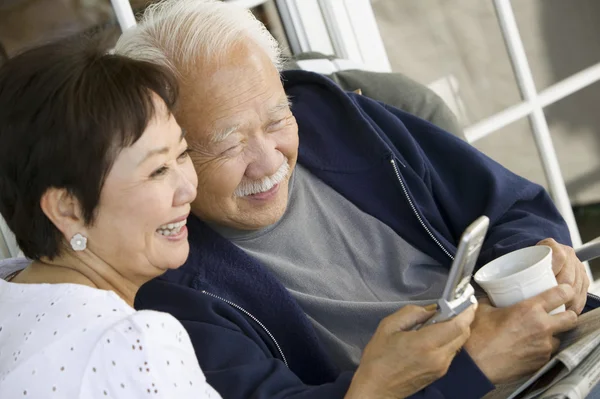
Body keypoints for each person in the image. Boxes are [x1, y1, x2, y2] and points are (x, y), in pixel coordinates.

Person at [115, 0, 593, 398]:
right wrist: (471, 369)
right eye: (226, 144)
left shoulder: (335, 118)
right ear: (167, 154)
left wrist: (539, 260)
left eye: (276, 120)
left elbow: (513, 205)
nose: (268, 161)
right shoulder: (168, 284)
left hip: (564, 346)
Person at [0, 36, 222, 398]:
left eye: (182, 154)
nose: (188, 190)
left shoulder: (11, 292)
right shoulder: (132, 347)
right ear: (67, 209)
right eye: (156, 171)